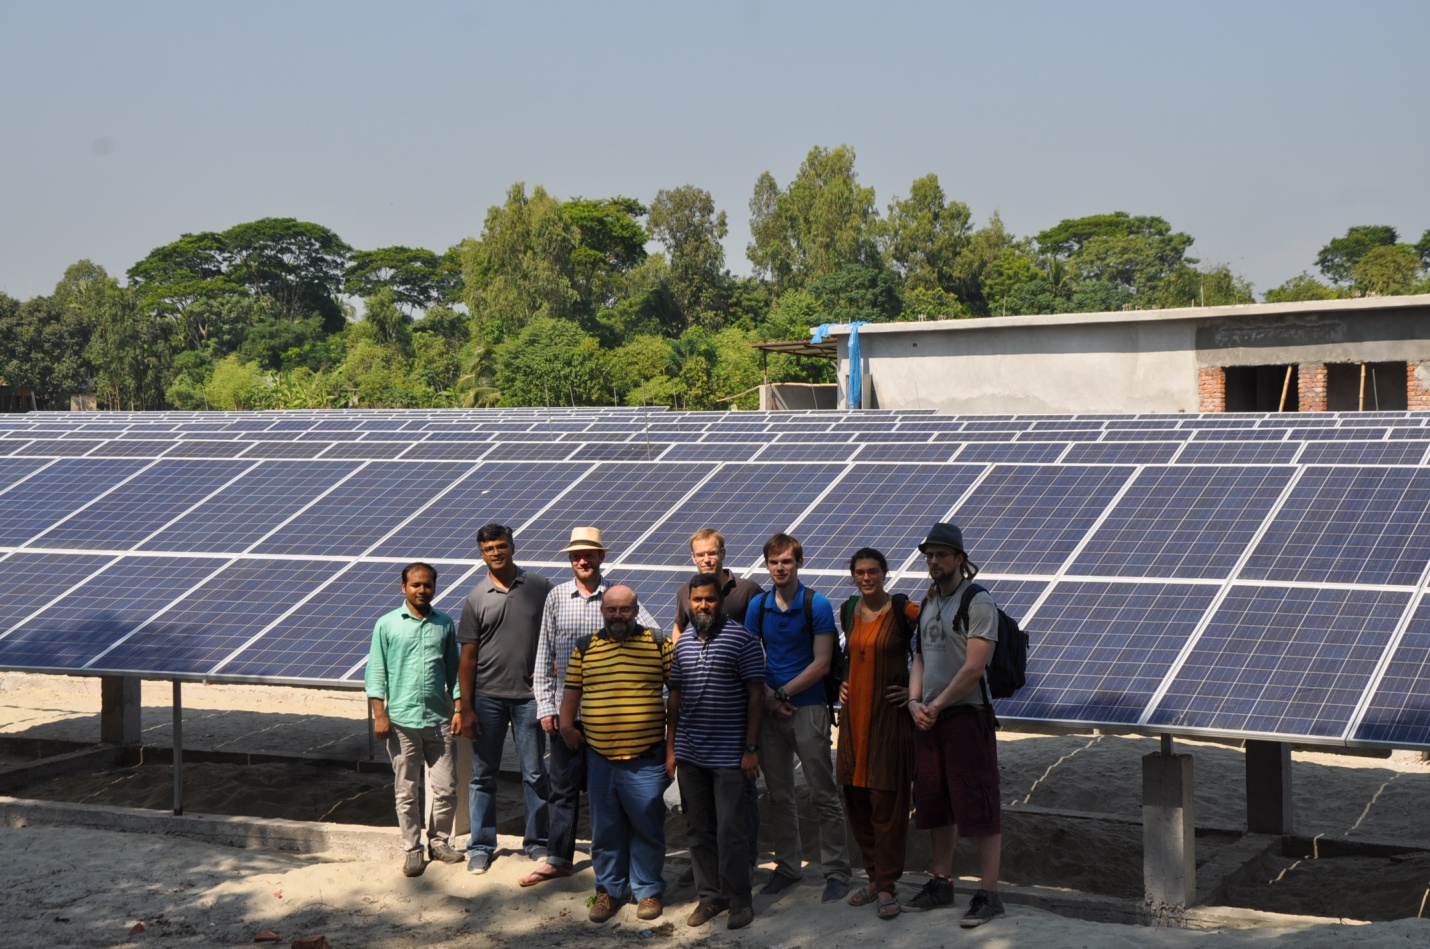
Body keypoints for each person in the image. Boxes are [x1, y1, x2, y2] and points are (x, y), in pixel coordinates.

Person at [523, 527, 659, 888]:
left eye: (588, 555)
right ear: (570, 560)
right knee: (563, 789)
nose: (582, 561)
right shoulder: (556, 597)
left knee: (614, 794)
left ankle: (621, 865)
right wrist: (546, 707)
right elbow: (544, 653)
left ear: (601, 557)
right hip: (567, 715)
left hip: (609, 717)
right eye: (576, 556)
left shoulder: (617, 599)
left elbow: (653, 636)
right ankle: (558, 859)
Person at [743, 532, 851, 903]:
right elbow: (750, 657)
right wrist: (769, 699)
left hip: (808, 709)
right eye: (774, 562)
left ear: (799, 563)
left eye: (786, 561)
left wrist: (781, 695)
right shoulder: (758, 606)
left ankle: (836, 871)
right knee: (779, 795)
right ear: (766, 565)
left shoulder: (816, 604)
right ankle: (788, 867)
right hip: (771, 711)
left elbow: (822, 664)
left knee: (823, 793)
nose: (780, 568)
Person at [907, 522, 1006, 927]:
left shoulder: (977, 601)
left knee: (978, 802)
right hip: (930, 718)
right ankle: (941, 882)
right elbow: (919, 657)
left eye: (941, 555)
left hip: (966, 715)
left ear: (959, 559)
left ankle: (989, 894)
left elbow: (974, 667)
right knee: (935, 802)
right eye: (929, 555)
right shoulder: (929, 600)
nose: (933, 561)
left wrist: (937, 704)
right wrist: (914, 702)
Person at [560, 585, 674, 923]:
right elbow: (572, 690)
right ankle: (608, 891)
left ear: (636, 610)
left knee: (647, 827)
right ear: (603, 611)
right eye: (612, 610)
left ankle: (648, 891)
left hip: (647, 758)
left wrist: (672, 747)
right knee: (605, 830)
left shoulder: (658, 643)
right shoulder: (586, 647)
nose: (618, 615)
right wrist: (566, 726)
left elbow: (677, 695)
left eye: (625, 609)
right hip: (600, 759)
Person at [668, 573, 765, 931]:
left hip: (730, 756)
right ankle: (709, 897)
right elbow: (674, 697)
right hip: (691, 754)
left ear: (720, 601)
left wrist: (751, 748)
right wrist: (671, 748)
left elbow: (757, 695)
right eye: (697, 600)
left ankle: (739, 900)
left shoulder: (742, 639)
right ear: (689, 603)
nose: (703, 606)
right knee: (698, 831)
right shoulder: (683, 643)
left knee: (731, 832)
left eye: (709, 599)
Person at [455, 523, 553, 874]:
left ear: (512, 546)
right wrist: (466, 708)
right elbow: (467, 658)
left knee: (535, 773)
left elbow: (557, 632)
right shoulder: (475, 598)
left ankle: (538, 841)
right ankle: (481, 845)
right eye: (488, 549)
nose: (495, 553)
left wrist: (553, 667)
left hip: (529, 698)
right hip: (487, 700)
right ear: (481, 554)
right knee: (483, 775)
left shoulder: (540, 587)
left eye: (501, 546)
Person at [364, 562, 463, 877]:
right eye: (416, 584)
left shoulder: (444, 623)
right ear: (403, 587)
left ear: (435, 587)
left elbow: (454, 670)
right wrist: (380, 714)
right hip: (401, 721)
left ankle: (439, 842)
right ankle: (412, 849)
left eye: (427, 585)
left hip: (439, 719)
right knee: (406, 791)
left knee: (446, 788)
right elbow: (376, 671)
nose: (422, 590)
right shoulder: (387, 624)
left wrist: (459, 709)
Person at [836, 548, 918, 920]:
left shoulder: (905, 610)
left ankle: (886, 886)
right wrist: (841, 682)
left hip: (888, 722)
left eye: (873, 571)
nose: (866, 578)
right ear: (853, 575)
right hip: (853, 723)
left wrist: (915, 691)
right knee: (857, 803)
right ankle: (873, 877)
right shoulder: (848, 610)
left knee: (888, 805)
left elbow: (935, 648)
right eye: (860, 572)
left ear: (884, 573)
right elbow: (848, 657)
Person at [671, 528, 763, 641]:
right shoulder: (685, 591)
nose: (706, 560)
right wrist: (679, 650)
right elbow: (679, 628)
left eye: (712, 553)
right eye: (700, 555)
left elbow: (768, 625)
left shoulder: (747, 589)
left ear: (723, 553)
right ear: (693, 557)